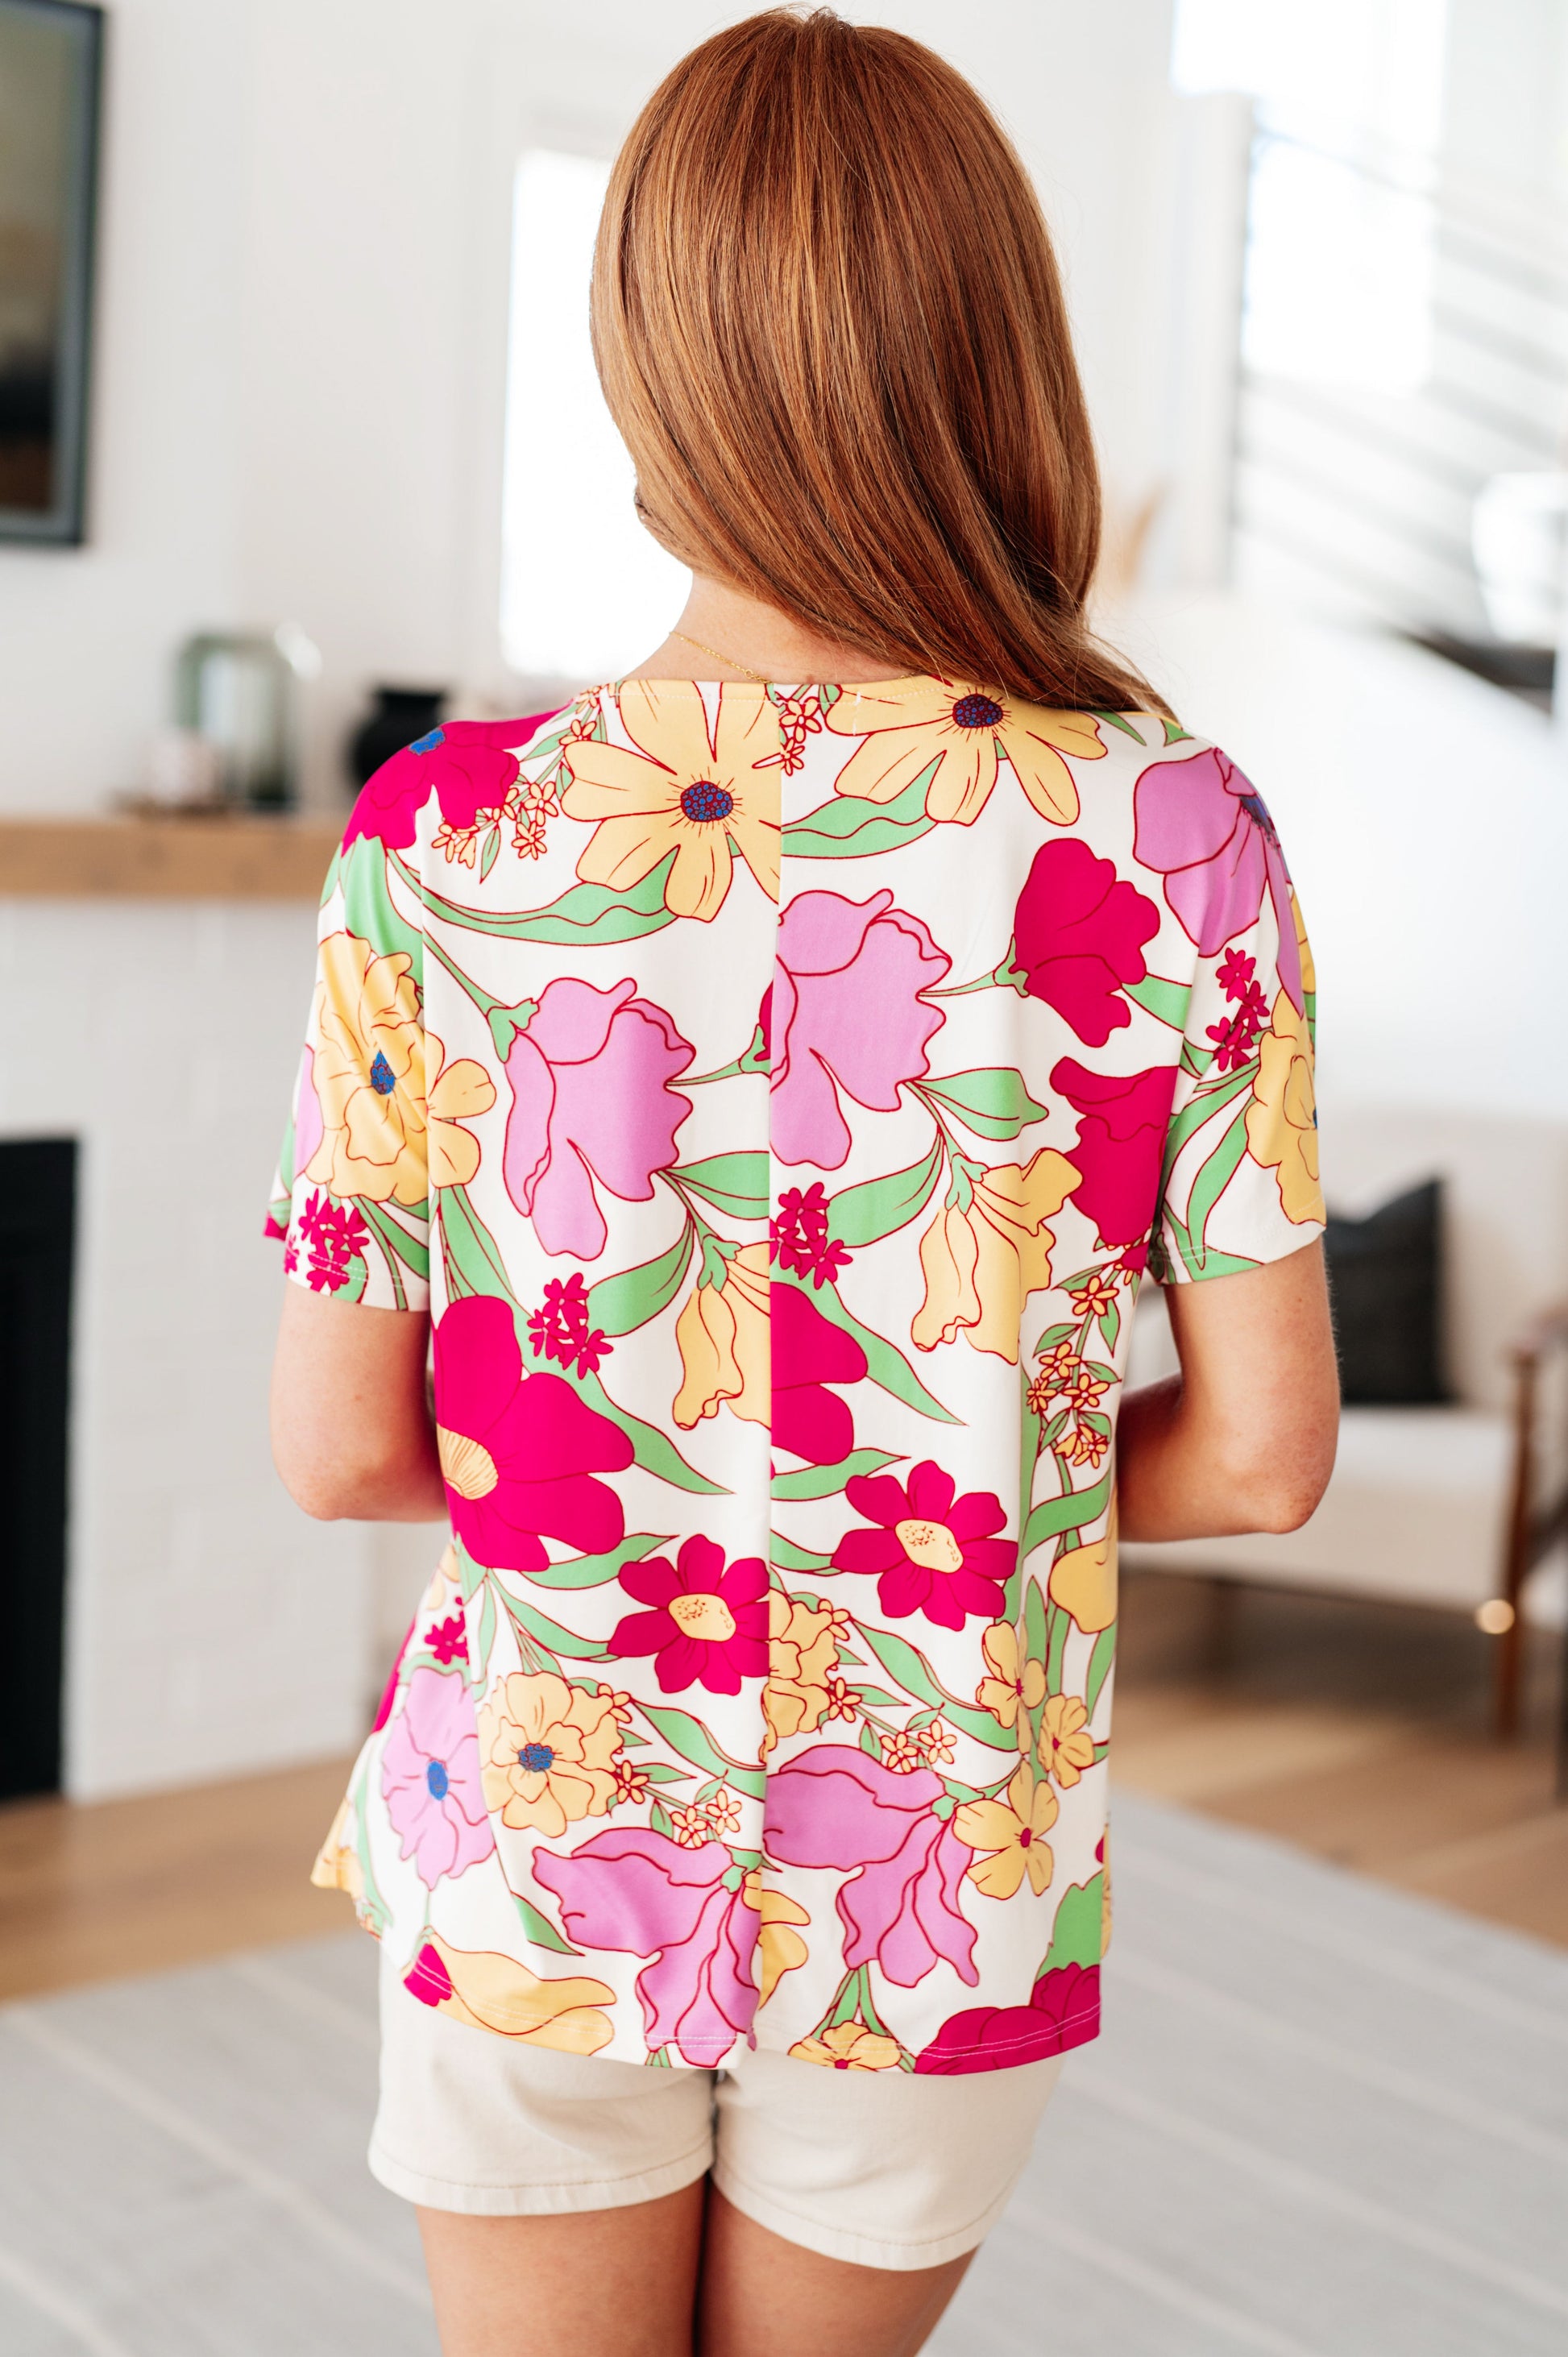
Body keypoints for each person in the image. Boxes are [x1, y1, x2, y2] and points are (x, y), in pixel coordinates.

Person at [268, 11, 1339, 2354]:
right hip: (944, 1849)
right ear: (997, 356)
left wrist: (642, 1499)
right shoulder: (1176, 828)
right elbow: (1264, 1457)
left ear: (646, 366)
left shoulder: (442, 837)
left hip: (546, 1821)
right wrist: (938, 1496)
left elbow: (339, 1448)